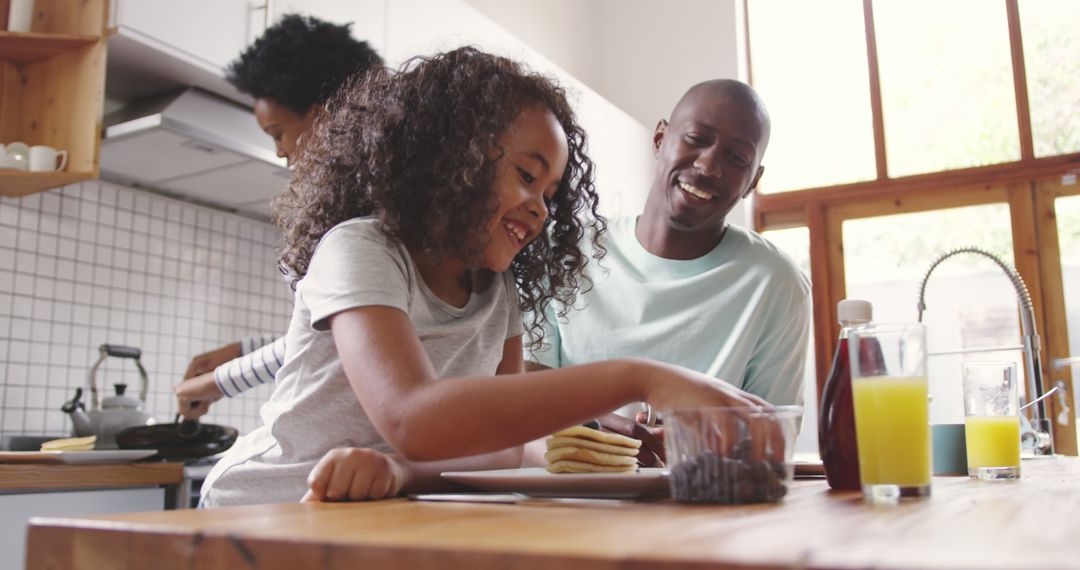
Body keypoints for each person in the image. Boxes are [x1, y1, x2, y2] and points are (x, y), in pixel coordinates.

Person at [201, 48, 776, 507]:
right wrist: (640, 377)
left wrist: (402, 471)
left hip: (371, 514)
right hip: (263, 510)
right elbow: (412, 417)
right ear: (452, 158)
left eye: (551, 194)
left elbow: (501, 449)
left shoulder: (495, 293)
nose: (542, 209)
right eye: (527, 176)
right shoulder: (361, 249)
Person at [525, 79, 811, 464]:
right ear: (660, 138)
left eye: (737, 158)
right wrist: (610, 437)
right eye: (695, 138)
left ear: (752, 182)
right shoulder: (564, 254)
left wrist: (692, 443)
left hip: (701, 508)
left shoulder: (775, 282)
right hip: (567, 502)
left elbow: (773, 438)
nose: (708, 166)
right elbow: (521, 397)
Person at [175, 14, 382, 418]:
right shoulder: (372, 202)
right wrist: (240, 354)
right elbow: (331, 330)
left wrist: (220, 380)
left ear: (325, 119)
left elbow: (340, 343)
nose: (279, 152)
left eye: (277, 133)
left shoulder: (359, 225)